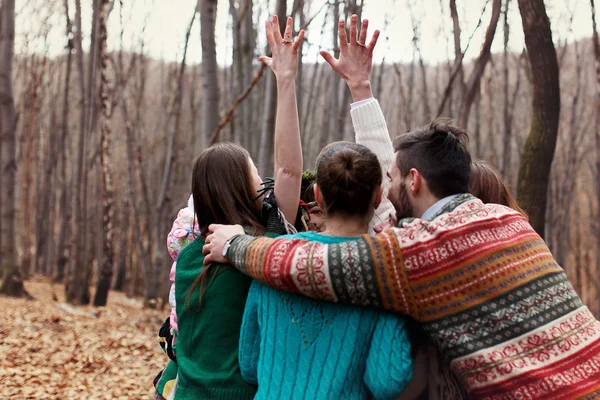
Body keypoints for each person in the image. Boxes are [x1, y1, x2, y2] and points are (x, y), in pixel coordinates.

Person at [203, 120, 600, 399]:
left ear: (414, 180)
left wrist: (237, 246)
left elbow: (315, 263)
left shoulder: (420, 250)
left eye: (392, 178)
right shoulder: (508, 218)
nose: (389, 189)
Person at [154, 16, 305, 400]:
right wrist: (285, 81)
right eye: (255, 172)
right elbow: (289, 170)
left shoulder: (189, 257)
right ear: (240, 187)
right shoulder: (258, 250)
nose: (264, 180)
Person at [239, 142, 413, 399]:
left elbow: (249, 364)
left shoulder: (273, 258)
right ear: (379, 195)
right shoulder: (383, 270)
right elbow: (387, 380)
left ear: (317, 194)